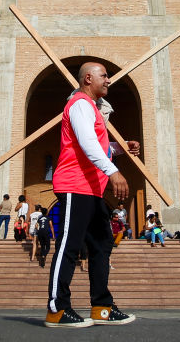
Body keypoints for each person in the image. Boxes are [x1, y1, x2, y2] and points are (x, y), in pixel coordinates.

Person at [44, 62, 139, 328]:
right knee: (69, 246)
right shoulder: (80, 104)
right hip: (75, 184)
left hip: (92, 188)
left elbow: (98, 145)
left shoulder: (91, 109)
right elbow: (86, 143)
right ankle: (57, 309)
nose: (109, 80)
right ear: (88, 78)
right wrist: (114, 172)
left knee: (101, 244)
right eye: (104, 75)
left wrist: (120, 148)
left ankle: (102, 307)